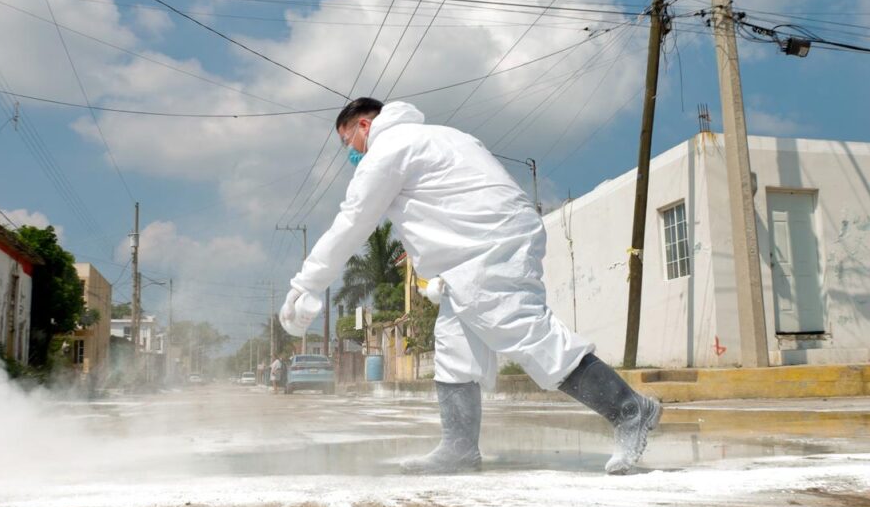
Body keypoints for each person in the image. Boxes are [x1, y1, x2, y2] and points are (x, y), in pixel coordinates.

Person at [279, 97, 661, 475]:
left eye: (349, 143)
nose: (352, 154)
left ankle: (629, 408)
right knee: (455, 345)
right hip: (482, 246)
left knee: (524, 332)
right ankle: (459, 448)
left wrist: (305, 285)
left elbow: (353, 223)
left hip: (487, 246)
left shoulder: (389, 148)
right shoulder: (440, 135)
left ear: (365, 125)